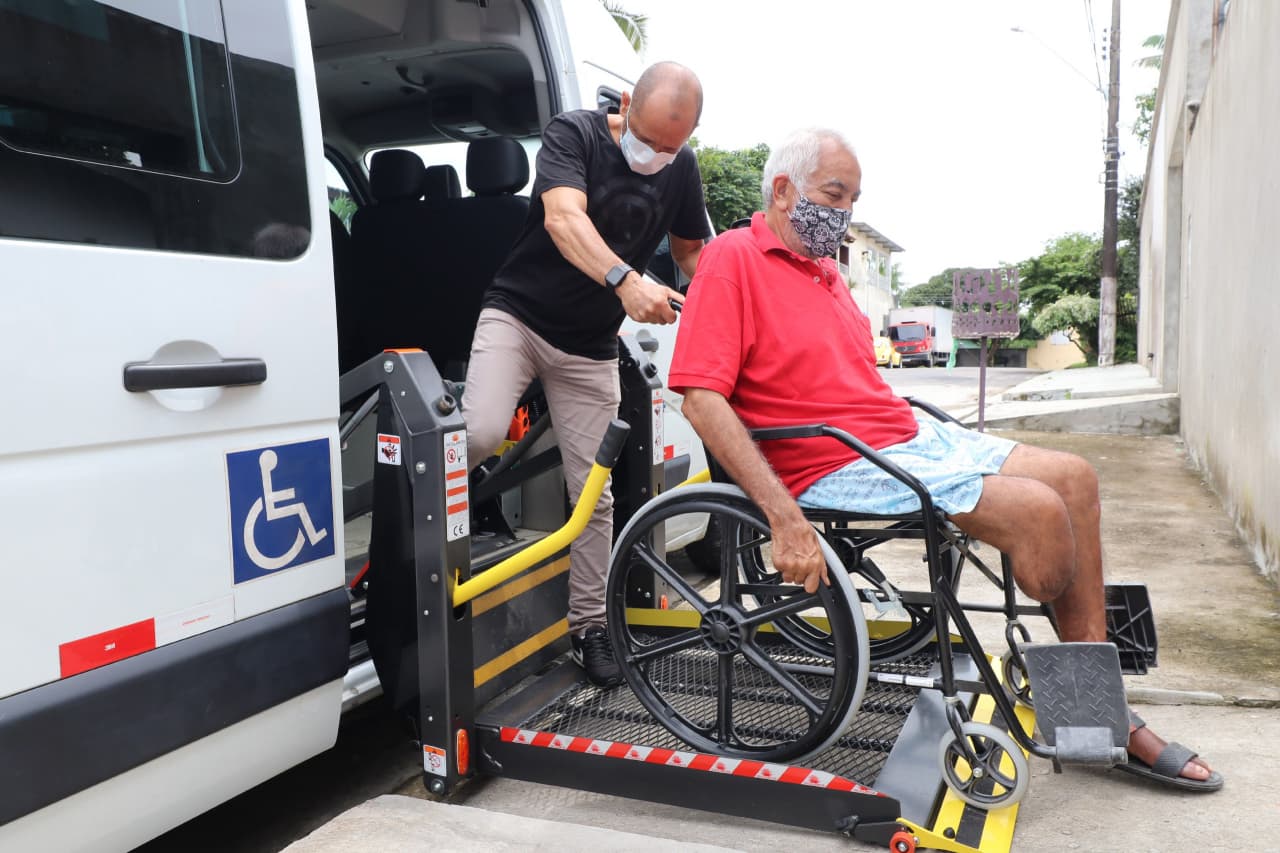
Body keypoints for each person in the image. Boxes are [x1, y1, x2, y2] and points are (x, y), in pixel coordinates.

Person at [667, 127, 1223, 793]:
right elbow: (701, 397)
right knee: (1041, 516)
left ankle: (1087, 698)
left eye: (852, 200)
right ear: (782, 191)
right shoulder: (733, 257)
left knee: (1075, 477)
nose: (841, 214)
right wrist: (784, 520)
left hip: (902, 436)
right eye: (832, 196)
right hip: (828, 460)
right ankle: (1083, 680)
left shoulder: (826, 271)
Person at [463, 62, 711, 687]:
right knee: (479, 432)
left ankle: (590, 628)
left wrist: (710, 302)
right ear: (626, 103)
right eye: (648, 139)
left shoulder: (681, 168)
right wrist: (627, 280)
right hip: (518, 315)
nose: (655, 156)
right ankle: (411, 553)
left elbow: (689, 251)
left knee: (593, 496)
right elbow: (563, 219)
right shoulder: (573, 135)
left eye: (670, 148)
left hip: (590, 345)